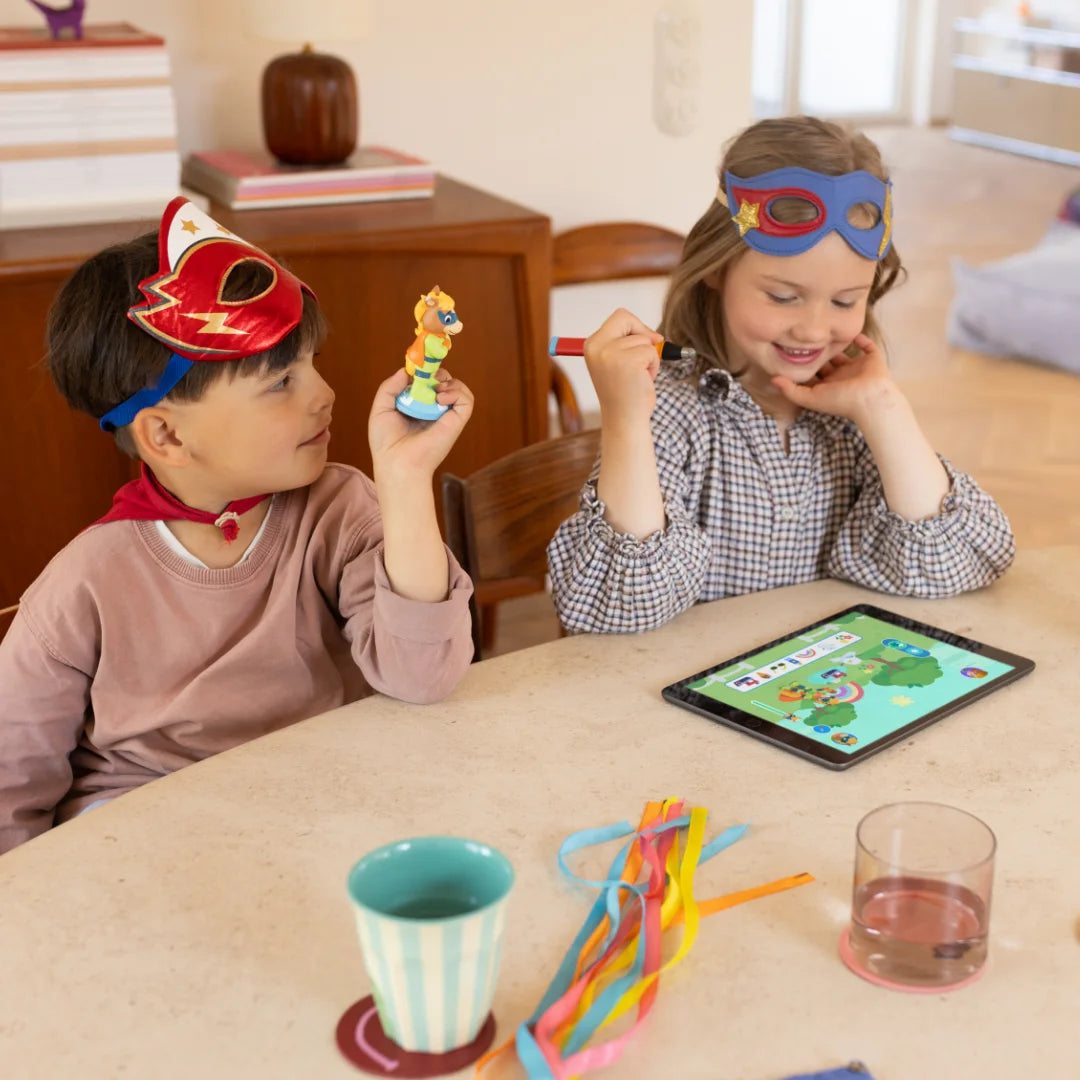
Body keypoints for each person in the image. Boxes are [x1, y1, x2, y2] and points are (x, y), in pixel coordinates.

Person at [0, 197, 475, 854]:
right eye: (282, 381)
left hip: (316, 807)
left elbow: (423, 677)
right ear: (164, 432)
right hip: (146, 833)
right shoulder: (85, 582)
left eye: (311, 361)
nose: (324, 392)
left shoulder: (342, 512)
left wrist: (403, 479)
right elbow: (11, 780)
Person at [548, 116, 1014, 634]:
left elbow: (965, 563)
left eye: (845, 300)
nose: (813, 330)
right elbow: (619, 609)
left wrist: (884, 408)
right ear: (716, 268)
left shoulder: (853, 414)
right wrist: (626, 420)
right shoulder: (669, 412)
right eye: (783, 296)